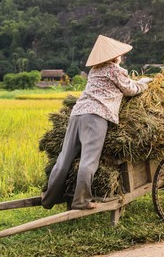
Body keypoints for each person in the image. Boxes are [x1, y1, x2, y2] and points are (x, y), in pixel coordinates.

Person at [42, 35, 152, 210]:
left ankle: (49, 198)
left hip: (77, 114)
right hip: (96, 116)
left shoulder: (94, 70)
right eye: (120, 55)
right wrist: (144, 84)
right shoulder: (116, 70)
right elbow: (130, 90)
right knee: (89, 160)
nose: (121, 57)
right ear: (114, 56)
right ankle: (81, 200)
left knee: (64, 158)